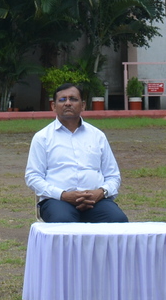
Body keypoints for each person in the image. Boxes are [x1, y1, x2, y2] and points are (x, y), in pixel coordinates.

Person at [23, 82, 128, 223]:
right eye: (62, 99)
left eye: (73, 99)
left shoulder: (97, 136)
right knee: (63, 222)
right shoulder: (42, 137)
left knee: (118, 220)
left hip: (96, 200)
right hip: (57, 200)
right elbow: (33, 177)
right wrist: (63, 195)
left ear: (83, 105)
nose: (67, 103)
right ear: (53, 106)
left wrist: (100, 192)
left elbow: (113, 175)